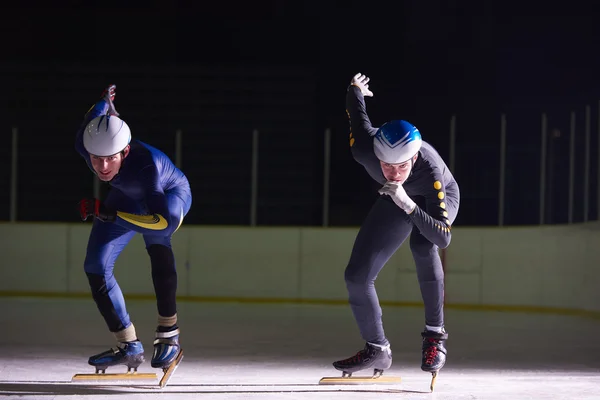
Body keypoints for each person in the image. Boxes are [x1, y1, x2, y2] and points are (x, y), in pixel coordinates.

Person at [333, 73, 460, 382]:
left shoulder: (429, 169)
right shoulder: (364, 146)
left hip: (432, 197)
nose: (393, 172)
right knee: (356, 276)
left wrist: (409, 204)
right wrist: (355, 88)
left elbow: (443, 238)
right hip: (395, 200)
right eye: (386, 166)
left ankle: (435, 336)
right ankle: (377, 348)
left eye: (402, 166)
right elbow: (354, 107)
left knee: (423, 245)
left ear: (414, 157)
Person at [75, 84, 192, 377]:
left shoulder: (144, 167)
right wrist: (106, 101)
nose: (102, 167)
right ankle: (128, 344)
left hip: (168, 194)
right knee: (95, 265)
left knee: (157, 239)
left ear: (125, 151)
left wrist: (109, 213)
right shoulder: (85, 142)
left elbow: (161, 221)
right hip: (127, 195)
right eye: (96, 159)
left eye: (111, 158)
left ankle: (169, 335)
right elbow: (95, 113)